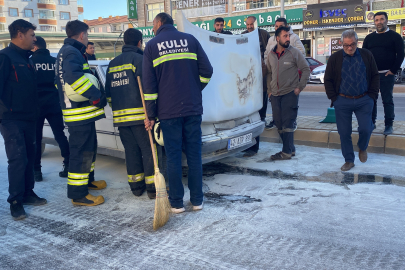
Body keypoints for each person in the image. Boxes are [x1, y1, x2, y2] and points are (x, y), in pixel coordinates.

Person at [142, 13, 213, 213]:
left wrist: (151, 114)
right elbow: (207, 71)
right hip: (192, 109)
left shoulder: (152, 46)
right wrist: (195, 89)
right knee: (194, 155)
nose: (153, 29)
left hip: (168, 112)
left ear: (158, 24)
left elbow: (149, 87)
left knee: (173, 157)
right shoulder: (190, 40)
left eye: (153, 26)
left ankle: (176, 203)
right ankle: (197, 201)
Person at [55, 20, 107, 206]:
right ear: (82, 35)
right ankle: (78, 195)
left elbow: (60, 83)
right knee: (81, 152)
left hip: (81, 113)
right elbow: (74, 78)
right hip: (79, 114)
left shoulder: (68, 52)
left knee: (89, 148)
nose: (88, 38)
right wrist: (96, 96)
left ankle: (88, 181)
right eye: (87, 34)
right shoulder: (71, 52)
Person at [0, 19, 47, 221]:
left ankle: (28, 192)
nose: (34, 39)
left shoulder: (27, 59)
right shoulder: (5, 57)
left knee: (30, 154)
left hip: (29, 117)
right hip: (11, 118)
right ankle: (16, 201)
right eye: (31, 35)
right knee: (18, 158)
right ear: (20, 34)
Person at [105, 28, 156, 199]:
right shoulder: (140, 59)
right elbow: (148, 90)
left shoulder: (112, 64)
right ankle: (152, 189)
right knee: (148, 150)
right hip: (140, 118)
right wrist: (151, 114)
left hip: (121, 119)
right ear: (139, 42)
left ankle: (136, 187)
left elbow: (109, 94)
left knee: (131, 151)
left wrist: (118, 111)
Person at [324, 30, 379, 172]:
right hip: (342, 101)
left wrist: (372, 97)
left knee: (367, 128)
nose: (350, 48)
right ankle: (349, 160)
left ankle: (362, 147)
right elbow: (328, 79)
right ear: (341, 44)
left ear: (357, 42)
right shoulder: (335, 58)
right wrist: (334, 99)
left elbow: (374, 76)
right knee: (344, 132)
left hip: (364, 99)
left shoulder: (366, 55)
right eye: (346, 45)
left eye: (353, 44)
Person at [266, 26, 310, 161]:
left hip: (290, 93)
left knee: (288, 123)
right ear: (277, 38)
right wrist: (269, 91)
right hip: (275, 94)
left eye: (288, 36)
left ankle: (286, 153)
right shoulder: (271, 55)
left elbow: (306, 69)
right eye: (285, 36)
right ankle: (291, 148)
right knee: (278, 124)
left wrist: (299, 88)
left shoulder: (294, 52)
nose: (288, 38)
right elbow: (269, 73)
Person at [31, 36, 70, 182]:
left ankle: (37, 172)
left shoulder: (30, 62)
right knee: (60, 135)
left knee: (36, 138)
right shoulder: (54, 62)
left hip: (37, 105)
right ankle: (68, 165)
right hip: (54, 103)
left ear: (35, 47)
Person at [363, 11, 404, 135]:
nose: (379, 22)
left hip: (387, 74)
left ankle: (388, 125)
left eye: (381, 19)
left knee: (387, 100)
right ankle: (371, 123)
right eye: (376, 20)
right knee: (371, 100)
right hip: (372, 75)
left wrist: (393, 70)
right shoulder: (369, 38)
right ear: (374, 22)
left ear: (386, 20)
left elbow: (401, 55)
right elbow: (364, 56)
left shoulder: (395, 36)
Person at [264, 17, 306, 130]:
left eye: (280, 25)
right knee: (278, 115)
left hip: (289, 83)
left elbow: (301, 54)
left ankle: (292, 127)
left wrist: (290, 60)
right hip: (275, 85)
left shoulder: (293, 38)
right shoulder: (271, 40)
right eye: (276, 26)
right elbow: (267, 55)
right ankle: (275, 121)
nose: (278, 27)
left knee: (289, 116)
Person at [241, 16, 270, 157]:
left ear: (256, 24)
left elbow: (269, 55)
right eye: (248, 24)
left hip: (262, 83)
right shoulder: (242, 36)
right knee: (247, 116)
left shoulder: (264, 35)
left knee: (259, 116)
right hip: (247, 83)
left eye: (252, 24)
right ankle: (247, 145)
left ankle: (254, 147)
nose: (250, 26)